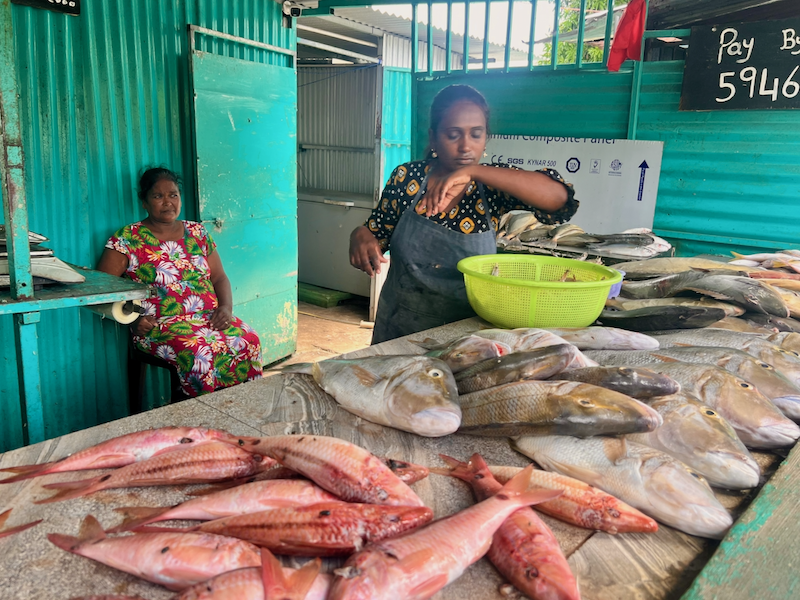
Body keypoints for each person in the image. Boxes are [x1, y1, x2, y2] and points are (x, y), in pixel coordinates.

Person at [350, 84, 579, 344]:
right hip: (401, 328)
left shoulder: (493, 183)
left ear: (486, 138)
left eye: (476, 135)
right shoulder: (408, 178)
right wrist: (360, 235)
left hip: (468, 336)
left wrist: (474, 172)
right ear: (434, 138)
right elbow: (376, 232)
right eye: (453, 135)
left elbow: (559, 199)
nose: (465, 147)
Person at [97, 167, 263, 397]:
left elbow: (219, 277)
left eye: (173, 195)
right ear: (144, 202)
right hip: (157, 325)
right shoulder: (126, 238)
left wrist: (226, 308)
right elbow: (102, 290)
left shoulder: (197, 232)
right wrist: (133, 320)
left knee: (250, 340)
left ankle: (240, 408)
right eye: (158, 196)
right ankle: (195, 419)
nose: (167, 202)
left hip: (208, 319)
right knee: (200, 353)